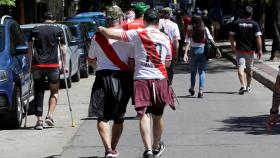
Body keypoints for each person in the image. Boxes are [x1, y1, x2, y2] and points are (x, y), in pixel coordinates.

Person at [98, 9, 175, 158]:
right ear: (158, 23)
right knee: (158, 115)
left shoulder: (138, 33)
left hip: (141, 79)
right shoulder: (165, 38)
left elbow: (110, 33)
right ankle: (156, 145)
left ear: (144, 21)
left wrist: (100, 28)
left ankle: (148, 151)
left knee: (144, 115)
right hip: (160, 79)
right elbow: (168, 63)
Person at [87, 5, 134, 158]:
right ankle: (112, 148)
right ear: (121, 18)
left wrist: (99, 64)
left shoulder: (97, 37)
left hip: (102, 77)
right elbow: (132, 62)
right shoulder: (129, 36)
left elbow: (91, 60)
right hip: (124, 78)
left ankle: (108, 149)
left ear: (107, 20)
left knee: (103, 116)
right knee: (119, 117)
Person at [28, 12, 66, 130]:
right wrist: (64, 65)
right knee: (54, 91)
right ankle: (49, 116)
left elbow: (30, 48)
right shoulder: (58, 30)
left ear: (42, 20)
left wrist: (30, 64)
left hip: (38, 65)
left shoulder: (35, 30)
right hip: (53, 65)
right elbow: (63, 49)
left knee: (38, 91)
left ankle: (39, 121)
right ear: (53, 20)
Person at [184, 15, 221, 98]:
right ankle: (201, 91)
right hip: (203, 50)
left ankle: (192, 88)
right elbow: (211, 39)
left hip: (193, 50)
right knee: (202, 71)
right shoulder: (204, 28)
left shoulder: (190, 28)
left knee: (193, 72)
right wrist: (217, 49)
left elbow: (188, 42)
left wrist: (185, 53)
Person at [229, 6, 262, 95]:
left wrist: (232, 46)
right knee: (249, 69)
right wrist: (260, 50)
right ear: (252, 14)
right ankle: (248, 86)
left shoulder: (236, 23)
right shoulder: (255, 24)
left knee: (240, 67)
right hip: (251, 51)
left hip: (240, 50)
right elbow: (258, 37)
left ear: (243, 13)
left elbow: (231, 36)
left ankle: (242, 85)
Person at [159, 7, 181, 84]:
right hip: (169, 49)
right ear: (170, 15)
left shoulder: (157, 22)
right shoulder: (174, 25)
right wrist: (177, 54)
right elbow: (175, 41)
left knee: (158, 68)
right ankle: (168, 84)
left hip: (157, 48)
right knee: (169, 69)